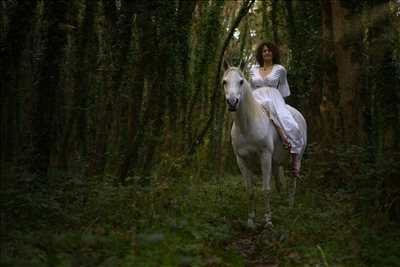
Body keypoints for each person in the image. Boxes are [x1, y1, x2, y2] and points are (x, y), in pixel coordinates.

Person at [249, 41, 304, 177]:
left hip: (274, 97)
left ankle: (295, 157)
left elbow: (283, 90)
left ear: (273, 53)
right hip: (256, 98)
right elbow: (250, 88)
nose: (266, 52)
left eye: (269, 50)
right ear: (260, 54)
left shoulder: (280, 69)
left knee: (292, 125)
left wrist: (279, 102)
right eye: (264, 51)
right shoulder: (253, 69)